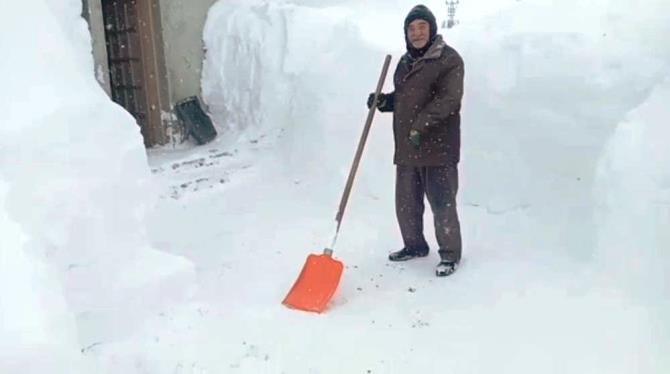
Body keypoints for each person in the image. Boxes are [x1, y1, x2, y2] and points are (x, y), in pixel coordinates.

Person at [367, 4, 464, 277]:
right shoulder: (405, 62)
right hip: (409, 146)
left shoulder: (449, 60)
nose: (417, 33)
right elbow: (405, 98)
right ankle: (414, 246)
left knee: (442, 203)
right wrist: (385, 102)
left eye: (422, 27)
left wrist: (420, 126)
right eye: (411, 28)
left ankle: (450, 255)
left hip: (438, 146)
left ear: (432, 29)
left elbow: (448, 100)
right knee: (406, 203)